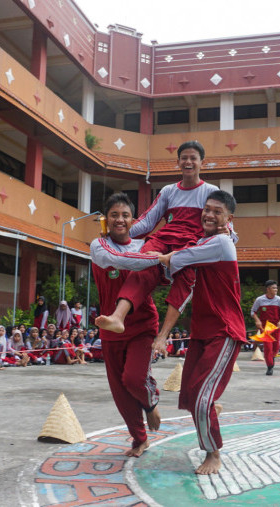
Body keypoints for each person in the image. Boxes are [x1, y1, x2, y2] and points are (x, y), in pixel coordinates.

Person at [153, 189, 246, 475]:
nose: (208, 214)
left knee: (202, 400)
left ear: (228, 218)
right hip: (202, 332)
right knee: (193, 397)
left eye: (217, 212)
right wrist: (163, 335)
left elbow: (175, 260)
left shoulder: (219, 244)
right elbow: (183, 289)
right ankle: (211, 411)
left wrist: (151, 255)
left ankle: (213, 454)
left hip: (225, 330)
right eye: (206, 209)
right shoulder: (210, 240)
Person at [98, 141, 234, 335]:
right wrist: (117, 233)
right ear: (178, 162)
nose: (188, 162)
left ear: (202, 162)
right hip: (164, 239)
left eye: (193, 158)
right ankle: (118, 317)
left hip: (191, 244)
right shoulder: (169, 191)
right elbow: (146, 222)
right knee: (142, 262)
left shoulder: (211, 191)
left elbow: (224, 221)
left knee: (186, 280)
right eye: (184, 158)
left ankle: (163, 335)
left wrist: (231, 234)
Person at [90, 192, 162, 457]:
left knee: (133, 379)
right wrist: (156, 258)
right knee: (120, 392)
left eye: (125, 215)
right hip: (110, 327)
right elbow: (119, 261)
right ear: (106, 220)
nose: (119, 220)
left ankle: (151, 402)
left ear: (133, 220)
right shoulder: (98, 245)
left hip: (142, 324)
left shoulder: (142, 246)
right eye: (114, 215)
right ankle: (140, 439)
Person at [251, 280, 280, 375]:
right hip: (265, 328)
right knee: (268, 348)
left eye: (276, 288)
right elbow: (253, 312)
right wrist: (257, 320)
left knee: (276, 347)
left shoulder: (279, 300)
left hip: (276, 327)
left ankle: (272, 358)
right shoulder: (260, 300)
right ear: (268, 289)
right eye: (273, 288)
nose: (276, 289)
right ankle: (269, 367)